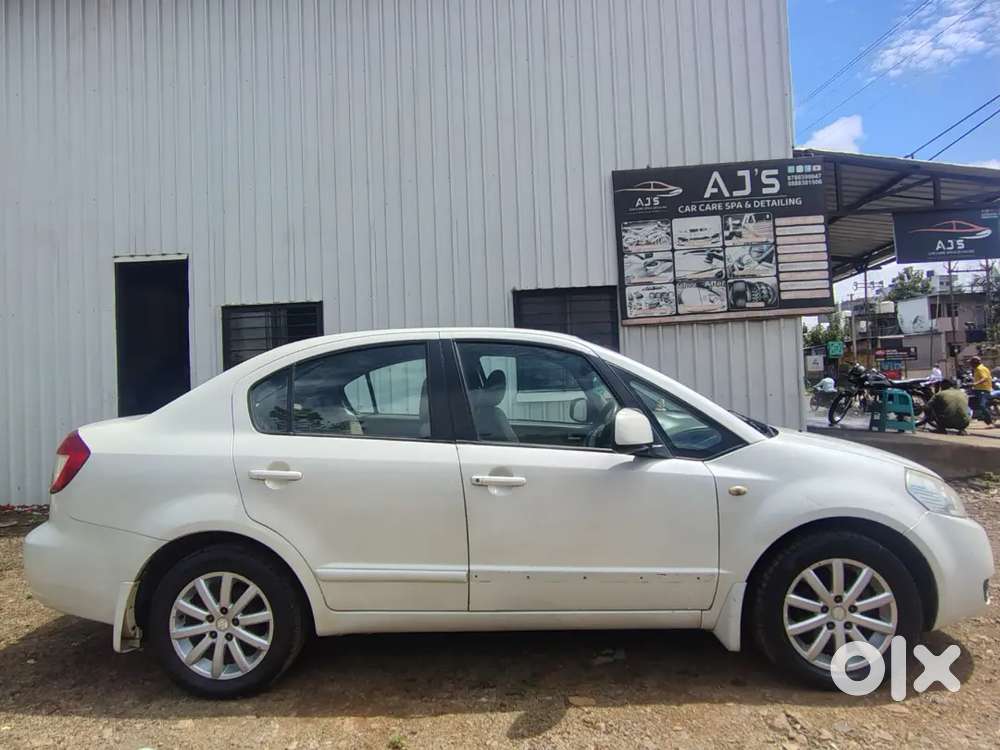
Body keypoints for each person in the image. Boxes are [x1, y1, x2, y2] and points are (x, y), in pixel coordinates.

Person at [970, 356, 995, 428]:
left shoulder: (980, 368)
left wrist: (975, 383)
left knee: (982, 405)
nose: (971, 364)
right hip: (978, 389)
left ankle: (990, 422)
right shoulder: (977, 369)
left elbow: (984, 378)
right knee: (975, 403)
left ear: (975, 363)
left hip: (983, 390)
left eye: (971, 362)